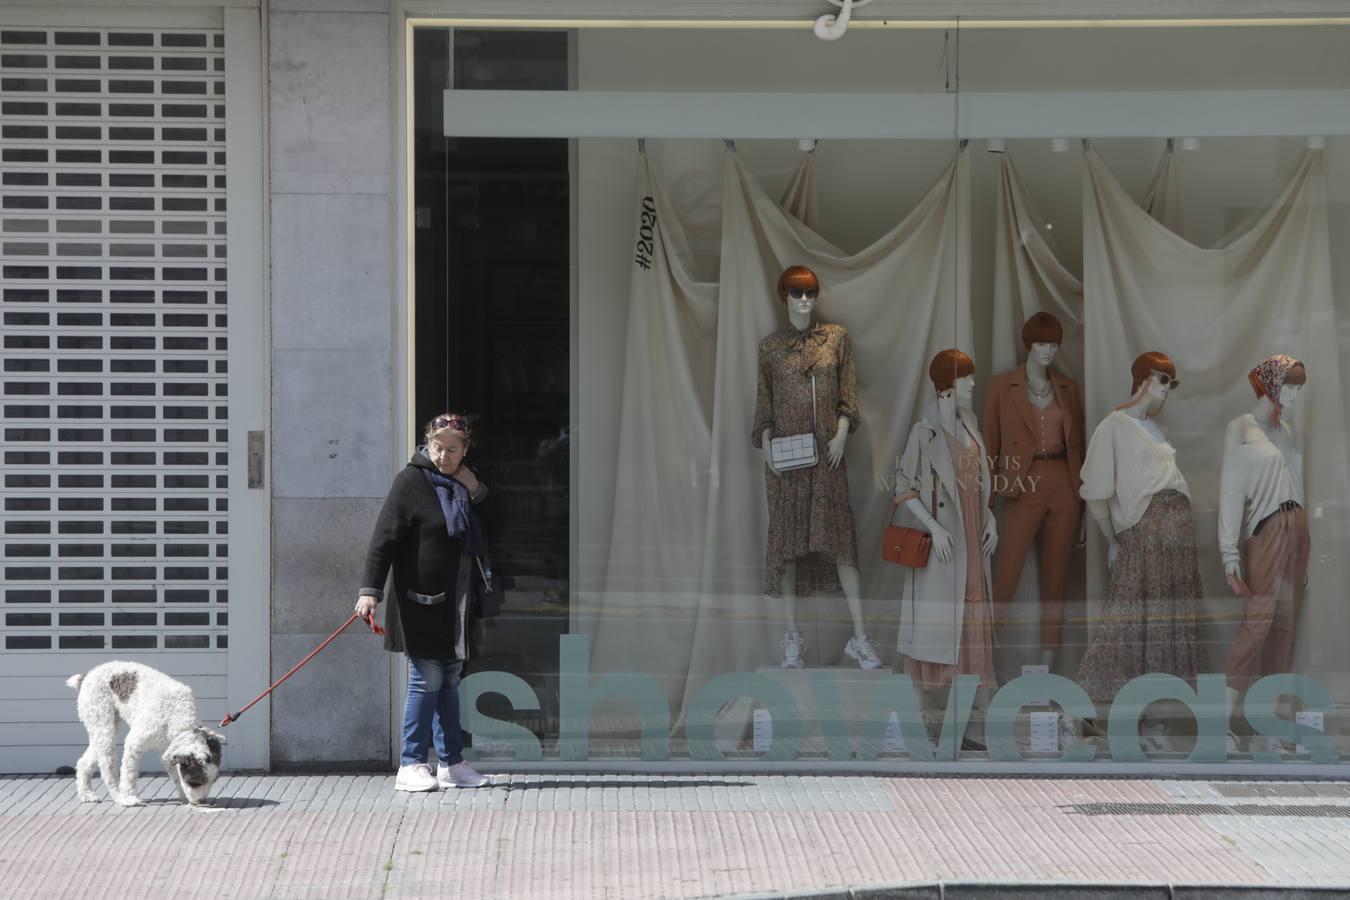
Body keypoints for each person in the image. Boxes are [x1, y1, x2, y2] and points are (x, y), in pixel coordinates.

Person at [356, 413, 493, 792]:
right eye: (437, 447)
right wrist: (370, 590)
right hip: (420, 600)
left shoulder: (466, 483)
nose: (443, 455)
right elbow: (383, 539)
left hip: (459, 601)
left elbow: (494, 520)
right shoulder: (411, 481)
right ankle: (412, 762)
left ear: (465, 450)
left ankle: (451, 763)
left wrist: (476, 488)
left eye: (452, 449)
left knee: (450, 680)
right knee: (426, 679)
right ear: (426, 444)